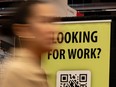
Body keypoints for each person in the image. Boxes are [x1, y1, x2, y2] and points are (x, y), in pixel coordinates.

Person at [1, 0, 58, 87]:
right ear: (24, 30)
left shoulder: (35, 71)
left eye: (52, 22)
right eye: (43, 21)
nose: (52, 29)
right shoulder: (17, 72)